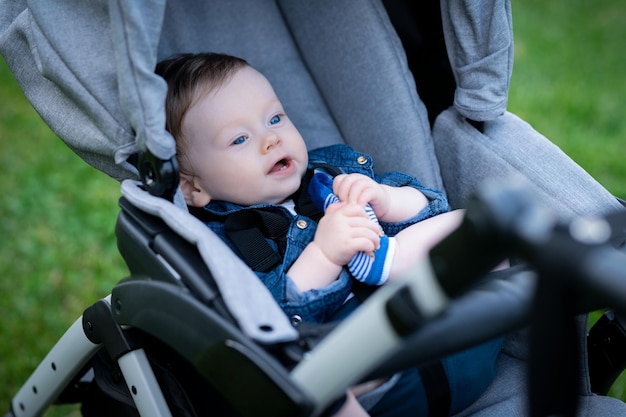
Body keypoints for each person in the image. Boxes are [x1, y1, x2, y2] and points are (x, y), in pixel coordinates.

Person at [155, 52, 504, 416]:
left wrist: (388, 200)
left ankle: (389, 259)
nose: (271, 139)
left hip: (453, 328)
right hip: (370, 375)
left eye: (275, 118)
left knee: (483, 227)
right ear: (192, 188)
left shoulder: (333, 170)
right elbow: (268, 325)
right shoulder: (226, 242)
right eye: (239, 139)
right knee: (301, 383)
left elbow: (432, 210)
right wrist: (323, 256)